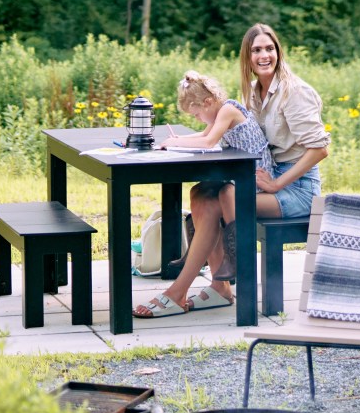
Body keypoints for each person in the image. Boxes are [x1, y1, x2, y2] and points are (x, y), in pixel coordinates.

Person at [133, 71, 273, 317]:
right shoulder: (219, 113)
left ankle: (227, 262)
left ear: (208, 102)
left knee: (207, 194)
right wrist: (175, 140)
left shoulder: (228, 110)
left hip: (255, 179)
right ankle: (219, 286)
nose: (198, 119)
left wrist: (174, 144)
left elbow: (208, 142)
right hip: (240, 175)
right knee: (199, 191)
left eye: (196, 114)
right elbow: (203, 135)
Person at [239, 23, 329, 219]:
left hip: (299, 188)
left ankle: (238, 250)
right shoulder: (251, 93)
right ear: (247, 57)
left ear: (278, 53)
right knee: (204, 194)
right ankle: (196, 252)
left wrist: (276, 184)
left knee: (230, 199)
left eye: (270, 49)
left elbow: (320, 150)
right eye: (256, 50)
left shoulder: (294, 91)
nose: (264, 55)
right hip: (266, 174)